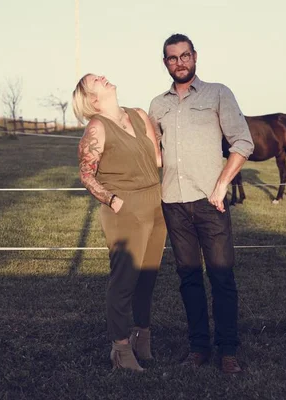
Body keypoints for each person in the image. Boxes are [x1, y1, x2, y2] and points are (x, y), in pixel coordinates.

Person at [148, 34, 254, 374]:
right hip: (173, 204)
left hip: (211, 203)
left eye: (184, 56)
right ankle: (198, 348)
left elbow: (243, 142)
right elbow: (155, 155)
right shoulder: (157, 105)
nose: (179, 62)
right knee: (189, 278)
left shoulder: (218, 93)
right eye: (172, 58)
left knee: (222, 277)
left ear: (195, 57)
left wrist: (222, 186)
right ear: (165, 63)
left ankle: (228, 351)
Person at [73, 73, 166, 372]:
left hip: (155, 202)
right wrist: (112, 199)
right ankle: (121, 350)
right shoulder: (97, 128)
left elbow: (158, 160)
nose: (103, 77)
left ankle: (142, 339)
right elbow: (86, 174)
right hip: (124, 207)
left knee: (148, 277)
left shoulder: (138, 114)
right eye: (95, 80)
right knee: (124, 280)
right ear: (92, 99)